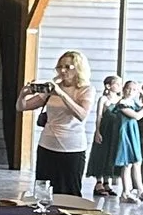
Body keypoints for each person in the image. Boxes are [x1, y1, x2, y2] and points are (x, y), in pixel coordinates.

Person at [20, 50, 94, 197]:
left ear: (78, 68)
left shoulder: (86, 89)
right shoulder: (51, 89)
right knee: (43, 190)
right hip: (47, 144)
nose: (63, 71)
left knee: (70, 192)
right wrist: (23, 94)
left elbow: (82, 115)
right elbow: (22, 107)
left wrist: (61, 93)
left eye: (68, 67)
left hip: (72, 147)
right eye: (60, 67)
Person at [88, 75, 143, 199]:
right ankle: (99, 182)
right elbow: (99, 116)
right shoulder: (104, 99)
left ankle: (107, 182)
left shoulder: (122, 99)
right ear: (109, 86)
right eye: (117, 84)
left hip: (115, 130)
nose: (120, 86)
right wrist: (97, 131)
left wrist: (140, 91)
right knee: (101, 154)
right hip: (105, 129)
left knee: (111, 155)